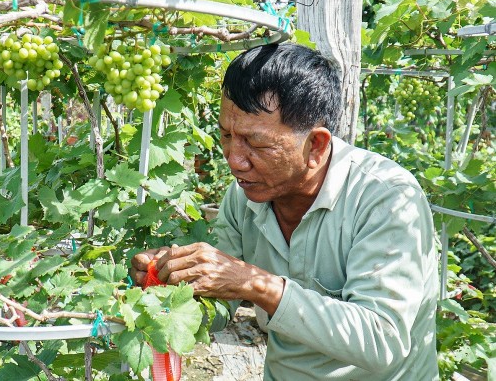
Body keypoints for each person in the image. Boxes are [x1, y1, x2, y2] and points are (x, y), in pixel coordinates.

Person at [131, 43, 439, 380]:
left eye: (257, 143)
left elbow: (382, 341)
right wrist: (173, 286)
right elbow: (219, 308)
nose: (234, 159)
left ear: (316, 145)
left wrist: (257, 285)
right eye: (226, 135)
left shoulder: (387, 198)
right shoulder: (244, 197)